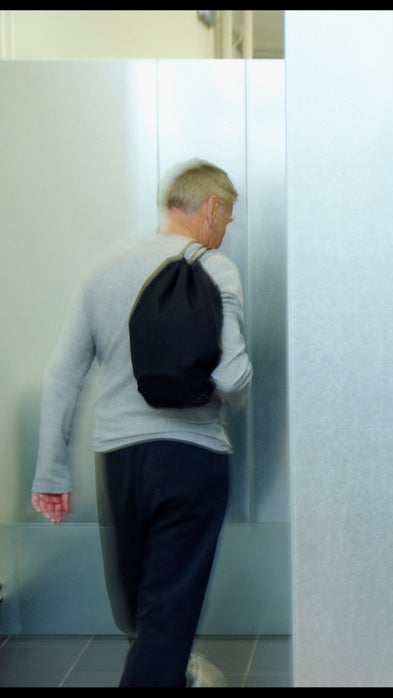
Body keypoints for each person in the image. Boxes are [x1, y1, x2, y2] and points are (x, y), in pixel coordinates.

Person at [30, 159, 253, 687]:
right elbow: (233, 374)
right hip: (191, 457)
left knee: (141, 612)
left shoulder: (103, 266)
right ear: (212, 208)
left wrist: (51, 474)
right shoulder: (213, 267)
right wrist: (236, 401)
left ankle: (172, 674)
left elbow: (62, 376)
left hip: (119, 460)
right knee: (167, 617)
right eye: (228, 219)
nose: (225, 233)